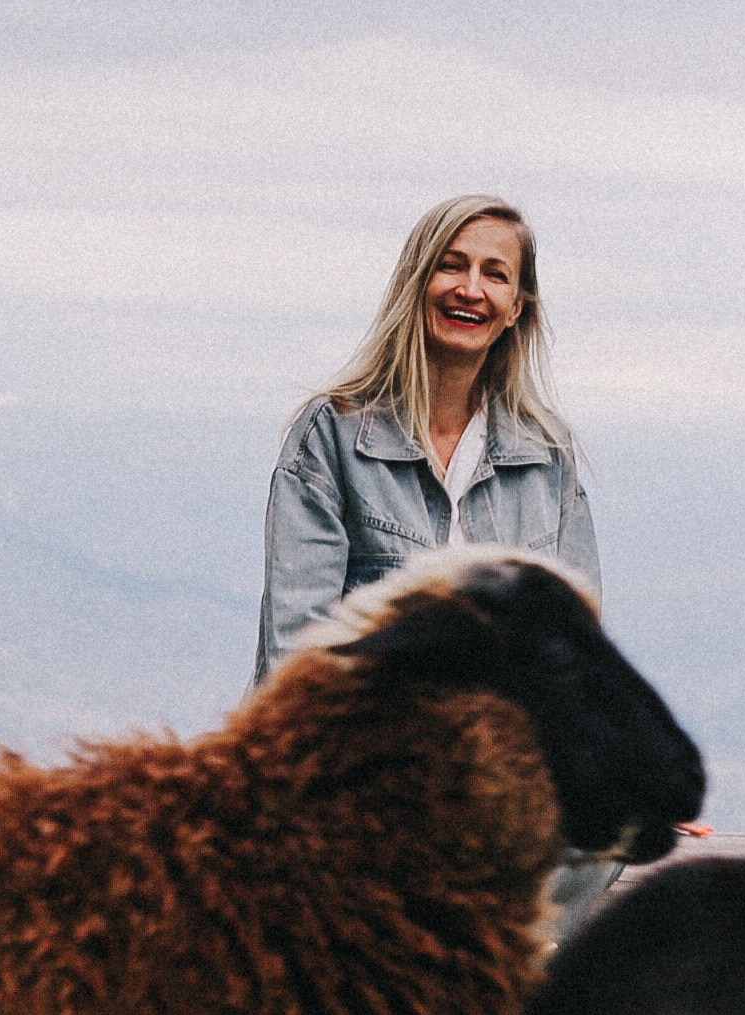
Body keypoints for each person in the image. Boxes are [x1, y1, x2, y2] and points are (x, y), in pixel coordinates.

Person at [252, 194, 600, 684]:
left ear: (516, 309)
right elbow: (296, 655)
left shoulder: (547, 454)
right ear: (416, 283)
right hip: (365, 747)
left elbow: (577, 655)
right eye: (452, 266)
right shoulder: (332, 434)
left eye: (495, 274)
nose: (471, 289)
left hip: (497, 753)